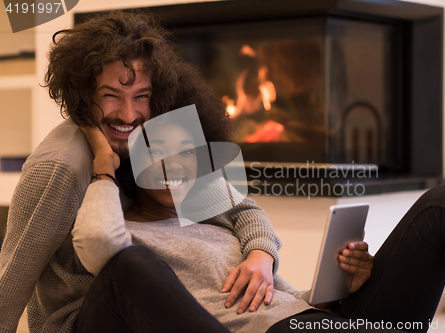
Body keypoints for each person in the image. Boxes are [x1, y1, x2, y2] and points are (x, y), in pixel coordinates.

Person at [73, 105, 445, 333]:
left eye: (185, 152)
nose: (173, 167)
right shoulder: (125, 235)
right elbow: (99, 241)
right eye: (156, 153)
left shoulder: (205, 207)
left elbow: (276, 296)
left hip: (316, 317)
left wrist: (334, 291)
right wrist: (103, 164)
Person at [0, 12, 282, 333]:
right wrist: (104, 167)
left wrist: (261, 253)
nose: (128, 113)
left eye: (141, 96)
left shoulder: (146, 135)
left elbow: (239, 206)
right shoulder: (60, 167)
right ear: (81, 92)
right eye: (110, 95)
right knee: (132, 263)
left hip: (141, 312)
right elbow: (11, 278)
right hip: (88, 319)